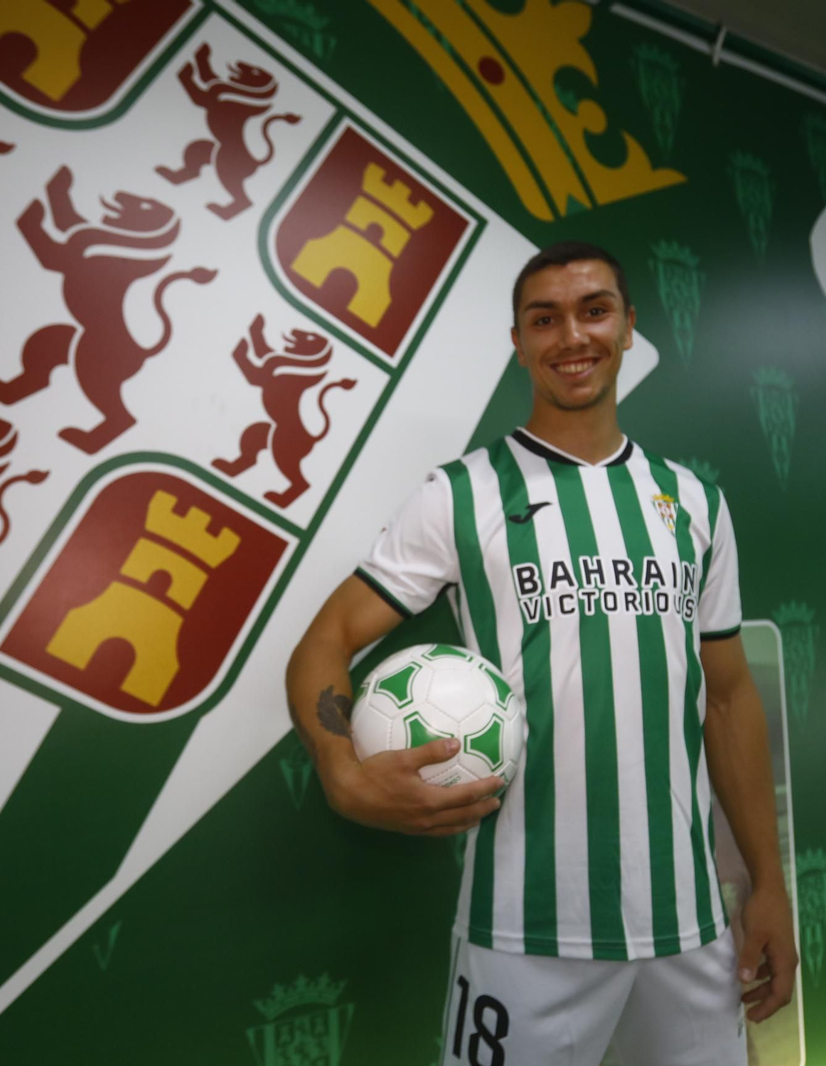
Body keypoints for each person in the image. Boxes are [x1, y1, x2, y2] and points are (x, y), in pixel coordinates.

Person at [286, 242, 796, 1066]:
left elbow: (729, 699)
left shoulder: (693, 503)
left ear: (630, 327)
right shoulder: (461, 494)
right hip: (522, 930)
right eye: (544, 319)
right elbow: (326, 640)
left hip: (691, 926)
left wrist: (769, 888)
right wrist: (340, 764)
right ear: (519, 342)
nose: (572, 336)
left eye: (595, 310)